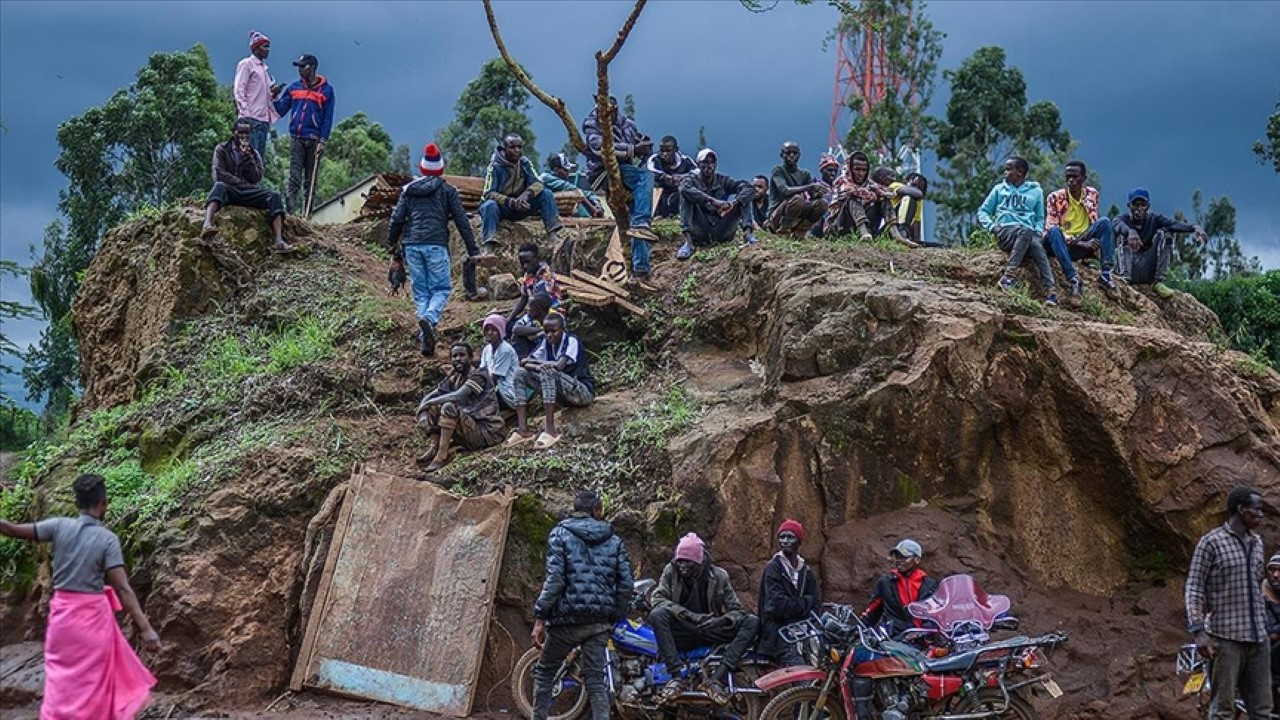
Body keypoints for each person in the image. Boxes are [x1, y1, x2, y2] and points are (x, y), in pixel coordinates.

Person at [0, 474, 160, 718]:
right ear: (104, 503)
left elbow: (10, 529)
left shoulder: (58, 527)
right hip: (93, 624)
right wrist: (146, 629)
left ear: (77, 503)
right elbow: (124, 589)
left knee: (61, 685)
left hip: (62, 622)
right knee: (95, 688)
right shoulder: (107, 539)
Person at [531, 490, 634, 720]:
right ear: (596, 510)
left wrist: (540, 617)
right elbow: (626, 583)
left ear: (575, 509)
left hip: (565, 621)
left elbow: (555, 580)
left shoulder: (560, 534)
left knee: (545, 672)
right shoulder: (614, 540)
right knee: (596, 681)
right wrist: (613, 615)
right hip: (597, 623)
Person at [386, 143, 485, 357]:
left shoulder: (408, 191)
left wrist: (392, 245)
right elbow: (461, 221)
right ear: (441, 169)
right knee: (441, 289)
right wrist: (473, 249)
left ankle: (426, 340)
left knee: (421, 292)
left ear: (422, 168)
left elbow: (397, 219)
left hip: (412, 246)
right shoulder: (448, 191)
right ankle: (430, 320)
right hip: (436, 244)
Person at [1186, 486, 1272, 719]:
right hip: (1225, 640)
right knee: (1223, 710)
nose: (1261, 515)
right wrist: (1198, 631)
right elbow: (1194, 587)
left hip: (1258, 640)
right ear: (1241, 510)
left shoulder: (1257, 543)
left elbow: (1257, 585)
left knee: (1262, 710)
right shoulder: (1211, 542)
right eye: (1257, 509)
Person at [649, 532, 761, 705]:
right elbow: (657, 599)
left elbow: (737, 611)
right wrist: (689, 615)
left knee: (752, 621)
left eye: (688, 562)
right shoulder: (671, 571)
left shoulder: (719, 576)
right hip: (684, 629)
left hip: (711, 629)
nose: (682, 566)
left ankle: (716, 679)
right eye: (680, 561)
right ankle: (677, 677)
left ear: (699, 562)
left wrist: (721, 621)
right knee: (657, 615)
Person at [582, 96, 657, 278]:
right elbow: (600, 147)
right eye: (600, 111)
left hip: (625, 171)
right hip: (602, 172)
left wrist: (644, 147)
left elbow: (639, 145)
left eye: (607, 112)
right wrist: (633, 149)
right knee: (645, 178)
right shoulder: (591, 123)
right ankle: (641, 223)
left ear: (615, 110)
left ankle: (641, 268)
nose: (602, 115)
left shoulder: (628, 124)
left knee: (636, 215)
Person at [201, 118, 294, 254]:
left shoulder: (254, 153)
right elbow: (218, 174)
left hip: (248, 192)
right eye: (241, 133)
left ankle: (279, 240)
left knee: (274, 196)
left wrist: (248, 158)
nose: (244, 137)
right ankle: (207, 224)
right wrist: (239, 183)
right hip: (230, 189)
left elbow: (256, 178)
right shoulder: (222, 149)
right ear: (234, 133)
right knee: (219, 186)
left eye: (247, 133)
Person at [977, 156, 1057, 306]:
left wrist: (1038, 232)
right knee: (1025, 232)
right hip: (1006, 232)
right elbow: (983, 211)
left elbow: (1040, 217)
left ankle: (1051, 291)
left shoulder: (1036, 191)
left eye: (1008, 169)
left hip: (1028, 235)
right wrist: (993, 227)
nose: (1005, 173)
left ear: (1020, 172)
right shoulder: (999, 190)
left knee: (1037, 247)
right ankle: (1009, 276)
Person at [508, 312, 594, 450]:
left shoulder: (571, 340)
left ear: (562, 329)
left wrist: (537, 363)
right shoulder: (546, 343)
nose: (549, 335)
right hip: (562, 393)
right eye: (546, 331)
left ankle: (550, 430)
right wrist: (537, 365)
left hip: (581, 391)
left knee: (548, 372)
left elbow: (559, 365)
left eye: (554, 331)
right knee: (520, 374)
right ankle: (523, 429)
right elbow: (523, 362)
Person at [415, 341, 506, 471]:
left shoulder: (479, 375)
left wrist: (429, 403)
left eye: (462, 355)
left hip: (485, 431)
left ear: (470, 357)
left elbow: (458, 396)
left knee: (448, 407)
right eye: (454, 356)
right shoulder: (456, 376)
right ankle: (434, 446)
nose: (458, 359)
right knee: (434, 406)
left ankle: (442, 455)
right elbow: (433, 394)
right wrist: (423, 410)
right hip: (468, 427)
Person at [1113, 187, 1207, 297]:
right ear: (1129, 206)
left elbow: (1173, 224)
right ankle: (1125, 280)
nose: (1139, 209)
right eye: (1135, 205)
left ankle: (1158, 282)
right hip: (1128, 266)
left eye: (1143, 205)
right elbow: (1117, 225)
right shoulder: (1122, 219)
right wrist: (1130, 232)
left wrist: (1195, 228)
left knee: (1165, 234)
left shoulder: (1154, 219)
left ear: (1148, 206)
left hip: (1148, 268)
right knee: (1122, 235)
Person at [479, 134, 567, 252]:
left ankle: (552, 236)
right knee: (489, 205)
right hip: (503, 208)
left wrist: (526, 195)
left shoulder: (524, 163)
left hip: (522, 206)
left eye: (519, 147)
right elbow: (489, 193)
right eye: (512, 147)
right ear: (504, 148)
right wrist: (510, 202)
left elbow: (538, 183)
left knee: (546, 194)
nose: (517, 151)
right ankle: (489, 247)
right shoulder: (494, 167)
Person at [1043, 160, 1118, 297]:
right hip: (1058, 244)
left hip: (1079, 244)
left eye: (1075, 176)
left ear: (1083, 178)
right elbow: (1050, 227)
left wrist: (1092, 249)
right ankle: (1073, 278)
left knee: (1105, 222)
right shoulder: (1055, 197)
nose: (1071, 180)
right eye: (1068, 177)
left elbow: (1093, 220)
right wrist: (1079, 243)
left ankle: (1106, 274)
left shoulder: (1091, 194)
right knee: (1054, 232)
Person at [272, 53, 334, 215]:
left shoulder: (326, 91)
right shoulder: (293, 88)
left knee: (310, 181)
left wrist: (323, 141)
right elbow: (281, 109)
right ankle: (290, 214)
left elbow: (328, 118)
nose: (299, 69)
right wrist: (274, 97)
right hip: (296, 138)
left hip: (314, 140)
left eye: (302, 66)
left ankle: (308, 215)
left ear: (311, 68)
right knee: (294, 178)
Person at [757, 519, 821, 667]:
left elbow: (816, 604)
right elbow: (776, 606)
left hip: (802, 631)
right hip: (778, 634)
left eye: (790, 537)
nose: (785, 541)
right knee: (803, 677)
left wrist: (799, 605)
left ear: (799, 541)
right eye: (782, 537)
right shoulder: (773, 568)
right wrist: (806, 602)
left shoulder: (805, 570)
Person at [675, 148, 757, 261]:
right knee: (686, 196)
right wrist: (712, 201)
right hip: (700, 229)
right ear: (698, 164)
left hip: (722, 229)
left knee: (744, 198)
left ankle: (748, 235)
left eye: (711, 162)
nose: (709, 166)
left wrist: (733, 203)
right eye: (705, 162)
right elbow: (684, 188)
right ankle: (688, 242)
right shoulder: (691, 180)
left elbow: (748, 188)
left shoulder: (723, 180)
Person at [860, 539, 939, 637]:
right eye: (897, 557)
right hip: (893, 637)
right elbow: (873, 610)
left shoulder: (929, 584)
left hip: (920, 637)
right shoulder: (886, 582)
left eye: (904, 557)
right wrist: (859, 631)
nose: (899, 560)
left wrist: (925, 630)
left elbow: (936, 614)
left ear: (917, 559)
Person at [825, 152, 895, 243]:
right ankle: (863, 232)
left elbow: (889, 192)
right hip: (838, 228)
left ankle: (895, 233)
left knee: (884, 200)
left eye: (864, 170)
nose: (861, 174)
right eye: (857, 170)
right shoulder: (841, 181)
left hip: (861, 226)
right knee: (853, 197)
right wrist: (875, 194)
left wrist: (880, 194)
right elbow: (852, 191)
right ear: (850, 169)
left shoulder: (868, 183)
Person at [232, 30, 281, 160]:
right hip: (251, 119)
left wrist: (273, 93)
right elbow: (239, 89)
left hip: (263, 120)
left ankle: (254, 181)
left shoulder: (264, 69)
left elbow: (264, 94)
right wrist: (245, 114)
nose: (268, 50)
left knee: (258, 160)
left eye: (268, 47)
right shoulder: (246, 64)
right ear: (256, 48)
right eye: (265, 47)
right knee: (247, 158)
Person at [766, 141, 827, 237]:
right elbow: (785, 191)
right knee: (797, 199)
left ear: (799, 155)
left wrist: (819, 192)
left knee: (822, 203)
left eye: (795, 153)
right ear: (782, 155)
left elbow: (813, 196)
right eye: (788, 152)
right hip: (777, 216)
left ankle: (801, 230)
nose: (791, 155)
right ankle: (783, 231)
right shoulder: (778, 171)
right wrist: (811, 186)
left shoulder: (804, 174)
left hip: (797, 214)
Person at [540, 153, 604, 218]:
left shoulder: (560, 179)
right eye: (565, 170)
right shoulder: (546, 177)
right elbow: (574, 190)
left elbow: (585, 193)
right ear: (556, 169)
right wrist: (593, 209)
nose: (568, 172)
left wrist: (597, 205)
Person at [479, 313, 521, 410]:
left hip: (506, 391)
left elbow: (493, 379)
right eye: (487, 329)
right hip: (494, 388)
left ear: (501, 331)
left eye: (494, 330)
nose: (490, 333)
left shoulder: (505, 350)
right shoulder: (487, 349)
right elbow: (481, 371)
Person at [648, 136, 696, 219]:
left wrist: (683, 177)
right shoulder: (655, 159)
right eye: (662, 151)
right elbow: (650, 169)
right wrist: (666, 177)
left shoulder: (685, 160)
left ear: (676, 149)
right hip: (659, 194)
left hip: (678, 194)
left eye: (668, 151)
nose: (664, 154)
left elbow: (697, 172)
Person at [508, 291, 554, 359]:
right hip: (534, 345)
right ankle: (522, 358)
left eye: (530, 306)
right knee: (517, 335)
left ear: (538, 308)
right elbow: (516, 329)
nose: (528, 309)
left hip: (548, 349)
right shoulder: (530, 316)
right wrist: (541, 329)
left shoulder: (555, 318)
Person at [806, 155, 841, 239]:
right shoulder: (815, 185)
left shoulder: (840, 188)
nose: (833, 173)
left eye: (835, 171)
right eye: (830, 170)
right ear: (822, 170)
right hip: (818, 222)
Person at [888, 172, 927, 244]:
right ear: (905, 182)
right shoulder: (895, 185)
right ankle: (901, 232)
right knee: (908, 198)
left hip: (906, 230)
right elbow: (914, 192)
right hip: (889, 225)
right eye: (914, 185)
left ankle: (903, 234)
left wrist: (917, 241)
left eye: (920, 188)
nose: (916, 189)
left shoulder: (917, 200)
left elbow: (916, 223)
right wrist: (919, 192)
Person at [1262, 553, 1280, 696]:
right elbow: (1270, 631)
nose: (1275, 575)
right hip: (1269, 648)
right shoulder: (1264, 595)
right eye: (1272, 570)